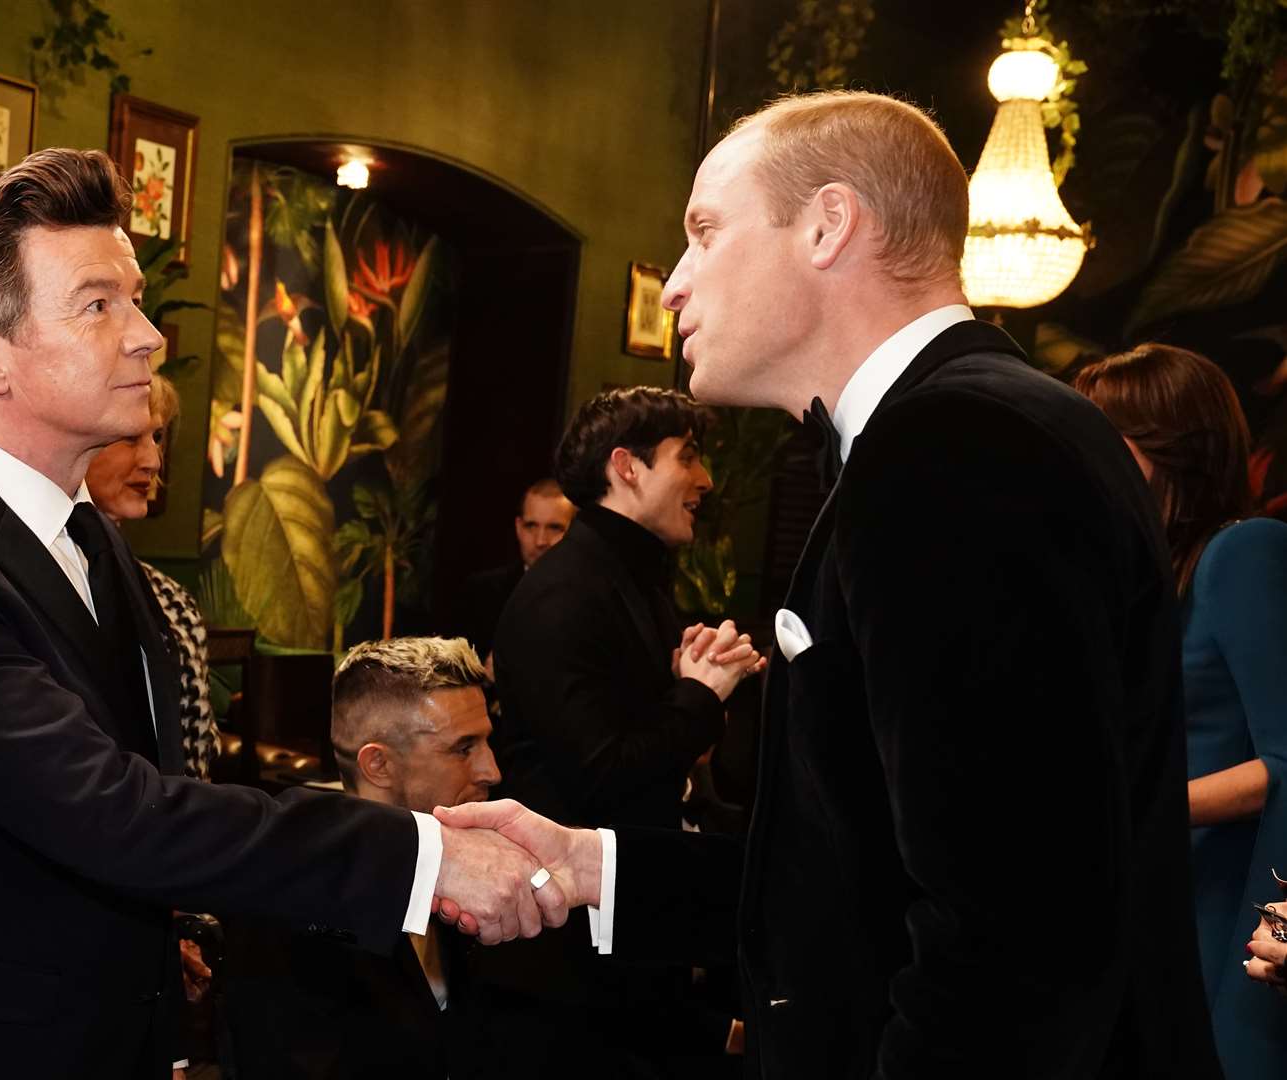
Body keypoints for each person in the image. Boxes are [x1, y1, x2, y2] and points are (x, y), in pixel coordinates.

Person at [437, 90, 1221, 1079]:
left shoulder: (955, 449)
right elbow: (873, 878)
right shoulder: (971, 429)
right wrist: (598, 867)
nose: (673, 285)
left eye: (704, 232)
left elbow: (1014, 935)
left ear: (827, 224)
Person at [0, 148, 564, 1080]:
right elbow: (117, 815)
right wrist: (420, 854)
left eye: (136, 299)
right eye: (99, 305)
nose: (148, 337)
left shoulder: (89, 533)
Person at [473, 386, 759, 1076]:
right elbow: (601, 774)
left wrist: (685, 681)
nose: (705, 480)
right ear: (626, 467)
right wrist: (700, 693)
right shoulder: (567, 592)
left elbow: (642, 743)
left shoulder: (630, 577)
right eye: (686, 457)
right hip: (568, 972)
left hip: (625, 942)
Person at [1074, 344, 1287, 1079]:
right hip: (1149, 911)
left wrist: (1128, 812)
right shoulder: (1150, 570)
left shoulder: (1243, 551)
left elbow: (1284, 762)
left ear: (1169, 448)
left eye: (1101, 440)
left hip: (1222, 921)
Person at [220, 636, 497, 1079]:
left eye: (486, 742)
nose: (491, 771)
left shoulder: (476, 859)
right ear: (379, 766)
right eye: (464, 748)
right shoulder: (288, 906)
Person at [86, 371, 219, 780]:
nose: (152, 461)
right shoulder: (24, 581)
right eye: (129, 438)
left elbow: (195, 762)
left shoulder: (172, 600)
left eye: (156, 438)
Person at [454, 478, 575, 662]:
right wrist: (483, 675)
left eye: (554, 527)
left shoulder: (595, 598)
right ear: (518, 527)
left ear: (575, 531)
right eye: (531, 526)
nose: (540, 541)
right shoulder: (481, 594)